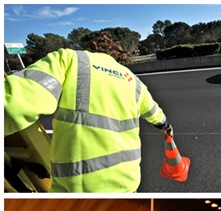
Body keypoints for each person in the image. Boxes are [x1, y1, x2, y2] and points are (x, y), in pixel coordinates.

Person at [4, 32, 174, 192]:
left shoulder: (70, 59)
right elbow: (155, 113)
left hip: (79, 186)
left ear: (90, 48)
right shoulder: (133, 80)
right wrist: (165, 127)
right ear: (118, 56)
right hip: (128, 183)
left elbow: (13, 104)